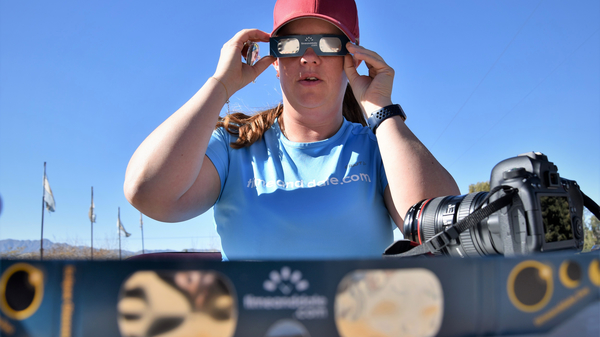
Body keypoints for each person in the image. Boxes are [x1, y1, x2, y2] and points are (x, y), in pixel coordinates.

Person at [124, 0, 460, 260]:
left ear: (353, 57)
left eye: (327, 44)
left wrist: (381, 111)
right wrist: (220, 86)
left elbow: (446, 231)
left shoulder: (379, 147)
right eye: (292, 45)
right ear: (275, 61)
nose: (308, 57)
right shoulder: (234, 145)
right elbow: (149, 193)